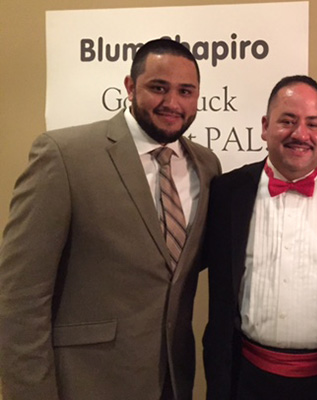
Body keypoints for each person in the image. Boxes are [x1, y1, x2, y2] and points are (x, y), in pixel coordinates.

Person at [0, 38, 221, 400]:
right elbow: (20, 297)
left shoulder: (207, 165)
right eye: (158, 88)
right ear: (130, 87)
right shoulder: (64, 156)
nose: (173, 103)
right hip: (87, 383)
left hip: (172, 381)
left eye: (186, 91)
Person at [202, 75, 317, 400]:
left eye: (313, 124)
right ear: (265, 127)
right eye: (288, 121)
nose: (300, 134)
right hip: (244, 380)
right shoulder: (226, 193)